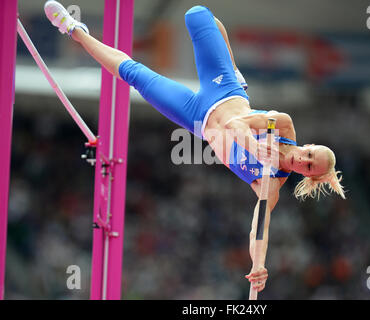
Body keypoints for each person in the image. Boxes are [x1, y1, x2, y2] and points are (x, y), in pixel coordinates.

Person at [44, 1, 346, 294]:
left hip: (196, 117)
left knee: (134, 75)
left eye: (308, 166)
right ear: (308, 144)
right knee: (197, 14)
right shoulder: (282, 126)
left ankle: (74, 30)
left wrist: (259, 263)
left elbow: (259, 229)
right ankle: (234, 69)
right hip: (225, 89)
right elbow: (235, 127)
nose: (302, 159)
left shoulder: (271, 186)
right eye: (309, 153)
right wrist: (256, 149)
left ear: (309, 177)